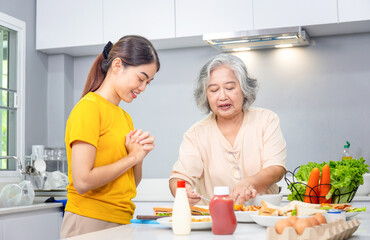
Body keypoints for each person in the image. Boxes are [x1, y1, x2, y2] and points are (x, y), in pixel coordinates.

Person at [60, 35, 160, 238]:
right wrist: (131, 158)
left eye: (148, 83)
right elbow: (83, 181)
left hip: (121, 220)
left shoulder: (124, 117)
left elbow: (131, 182)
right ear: (117, 65)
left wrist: (138, 155)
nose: (142, 88)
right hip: (89, 220)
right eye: (141, 78)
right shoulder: (89, 108)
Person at [169, 54, 287, 206]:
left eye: (230, 88)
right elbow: (180, 177)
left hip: (264, 215)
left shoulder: (266, 120)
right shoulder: (196, 133)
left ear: (244, 89)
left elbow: (276, 168)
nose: (222, 96)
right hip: (216, 220)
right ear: (206, 96)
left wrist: (249, 183)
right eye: (213, 90)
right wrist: (182, 190)